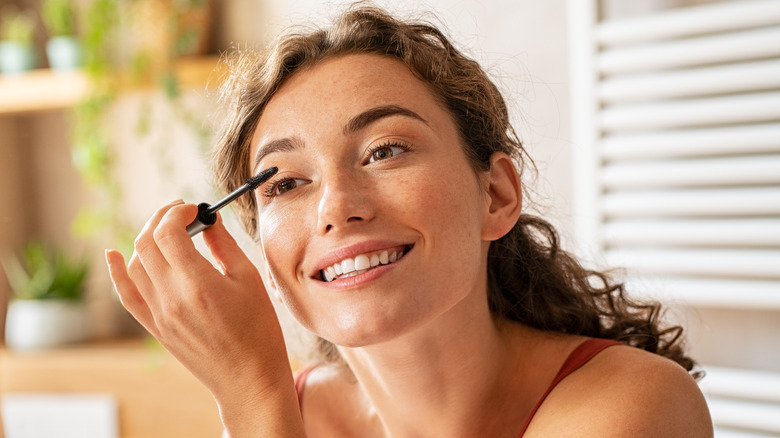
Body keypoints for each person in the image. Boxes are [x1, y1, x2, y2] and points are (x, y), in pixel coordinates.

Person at [105, 4, 713, 437]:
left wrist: (253, 397)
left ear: (496, 195)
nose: (336, 206)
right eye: (287, 183)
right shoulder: (286, 413)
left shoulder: (632, 407)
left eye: (385, 151)